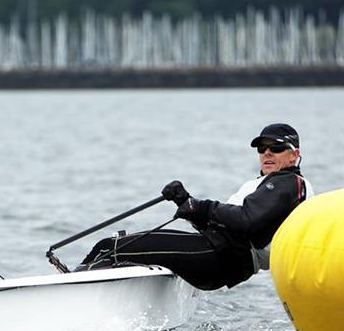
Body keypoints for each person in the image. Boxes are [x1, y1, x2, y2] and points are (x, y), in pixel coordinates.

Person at [78, 123, 313, 290]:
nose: (267, 153)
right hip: (220, 256)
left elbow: (246, 221)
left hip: (220, 257)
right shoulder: (269, 184)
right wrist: (185, 202)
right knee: (117, 251)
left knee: (108, 247)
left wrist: (201, 206)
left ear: (294, 155)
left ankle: (66, 295)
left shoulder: (288, 183)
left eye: (276, 148)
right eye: (262, 149)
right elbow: (232, 224)